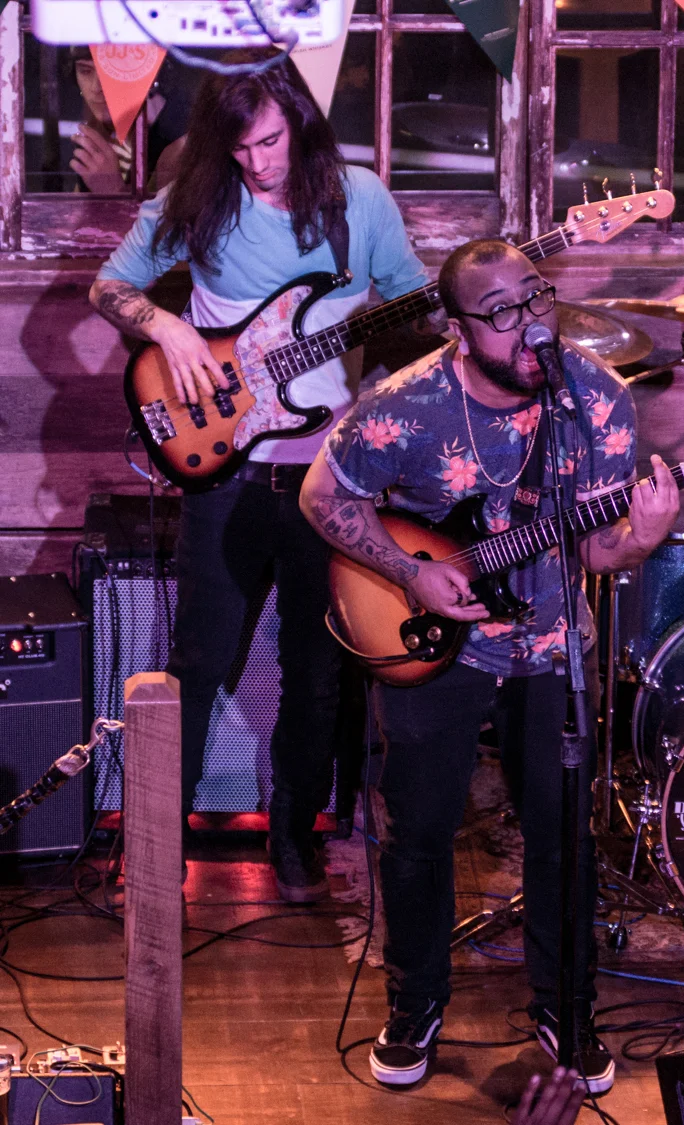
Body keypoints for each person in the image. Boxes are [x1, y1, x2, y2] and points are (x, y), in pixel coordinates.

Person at [300, 239, 680, 1091]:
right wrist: (410, 574)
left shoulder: (597, 399)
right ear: (458, 327)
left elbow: (596, 546)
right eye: (501, 312)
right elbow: (322, 495)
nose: (528, 323)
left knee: (562, 836)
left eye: (536, 298)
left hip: (553, 646)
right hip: (435, 643)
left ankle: (565, 1011)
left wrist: (641, 539)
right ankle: (414, 1006)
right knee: (418, 832)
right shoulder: (406, 406)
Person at [89, 53, 440, 902]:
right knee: (198, 664)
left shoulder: (361, 203)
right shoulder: (201, 197)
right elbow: (109, 287)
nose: (256, 162)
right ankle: (156, 845)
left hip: (329, 480)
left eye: (271, 142)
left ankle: (292, 840)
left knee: (317, 675)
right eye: (240, 147)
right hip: (224, 474)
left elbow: (416, 307)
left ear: (303, 124)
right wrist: (168, 327)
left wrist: (464, 325)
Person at [68, 48, 192, 194]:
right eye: (85, 71)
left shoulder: (180, 136)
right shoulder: (97, 126)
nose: (96, 87)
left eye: (111, 72)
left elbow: (173, 208)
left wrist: (114, 191)